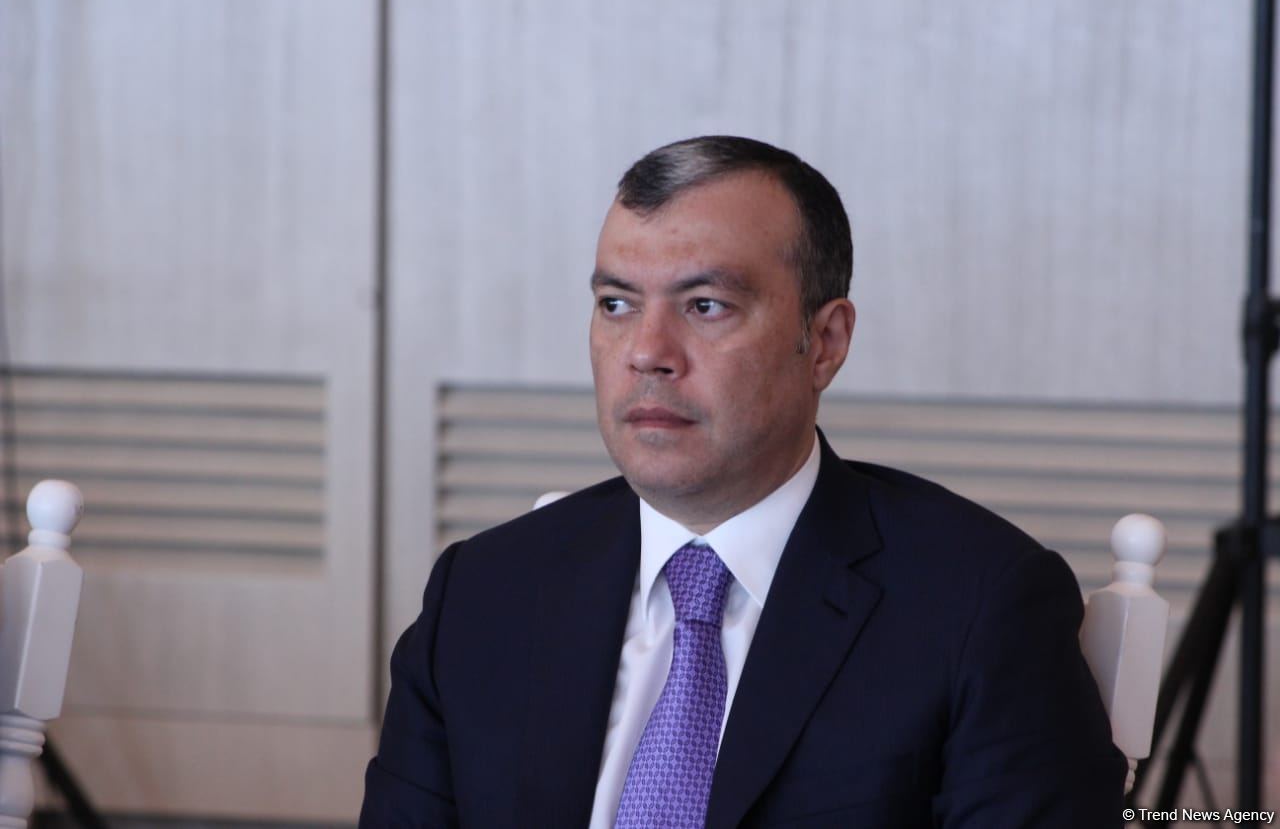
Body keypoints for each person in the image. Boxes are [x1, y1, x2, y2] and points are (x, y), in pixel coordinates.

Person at [359, 136, 1126, 828]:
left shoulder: (981, 607)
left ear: (824, 342)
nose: (647, 352)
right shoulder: (482, 593)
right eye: (617, 304)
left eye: (706, 305)